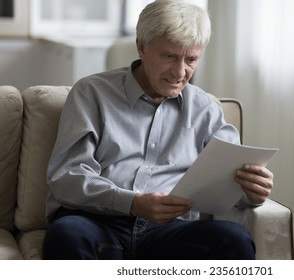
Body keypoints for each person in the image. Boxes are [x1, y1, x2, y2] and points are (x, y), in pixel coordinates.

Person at [42, 0, 274, 260]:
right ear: (142, 46)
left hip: (168, 231)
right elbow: (67, 177)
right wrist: (133, 203)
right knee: (67, 233)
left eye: (191, 59)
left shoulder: (206, 108)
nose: (180, 72)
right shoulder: (91, 93)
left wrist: (251, 192)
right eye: (169, 56)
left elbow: (228, 187)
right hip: (97, 223)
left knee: (234, 239)